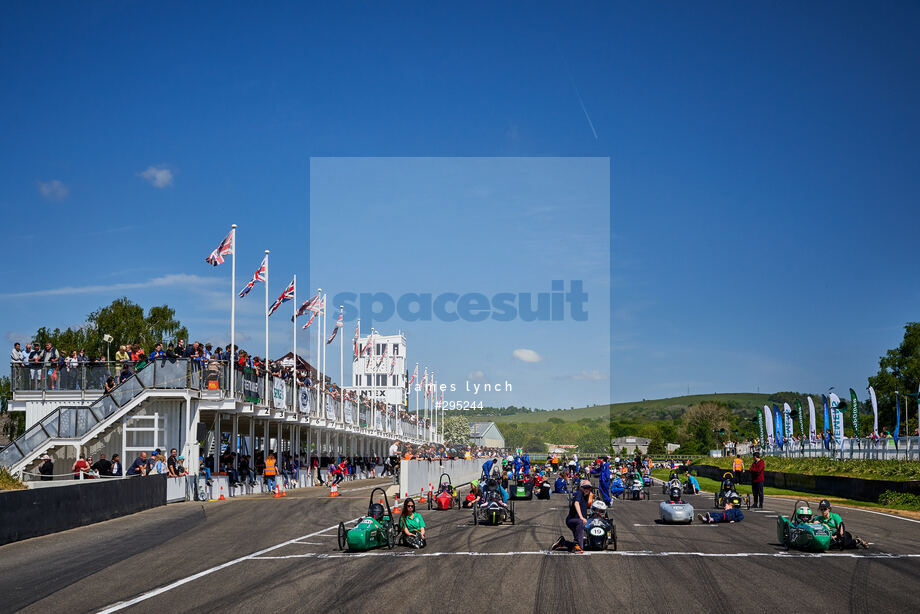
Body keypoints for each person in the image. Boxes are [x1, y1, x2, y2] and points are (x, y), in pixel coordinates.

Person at [552, 479, 593, 553]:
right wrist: (581, 517)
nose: (587, 489)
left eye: (589, 488)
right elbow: (576, 503)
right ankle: (579, 547)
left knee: (582, 542)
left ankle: (563, 542)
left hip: (579, 521)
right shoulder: (579, 493)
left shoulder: (587, 494)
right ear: (581, 487)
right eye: (585, 487)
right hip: (573, 520)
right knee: (580, 544)